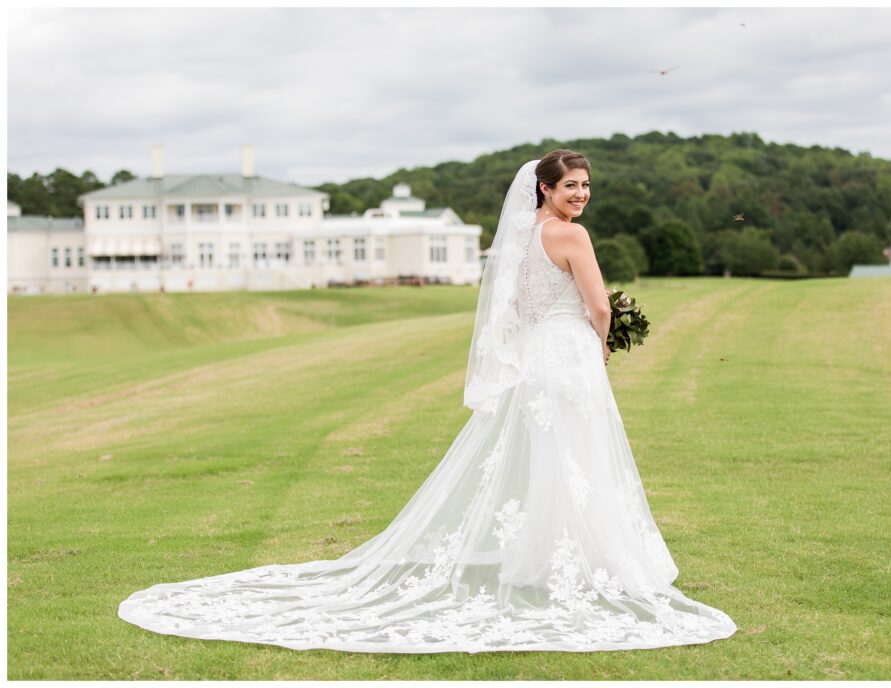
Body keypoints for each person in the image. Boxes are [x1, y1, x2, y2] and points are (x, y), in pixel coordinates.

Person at [117, 150, 738, 653]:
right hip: (569, 358)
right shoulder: (572, 237)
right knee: (581, 460)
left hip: (538, 360)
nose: (580, 195)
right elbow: (598, 304)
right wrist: (601, 343)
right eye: (570, 186)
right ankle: (586, 562)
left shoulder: (523, 239)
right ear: (545, 189)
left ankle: (545, 561)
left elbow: (516, 308)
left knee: (556, 462)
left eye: (585, 186)